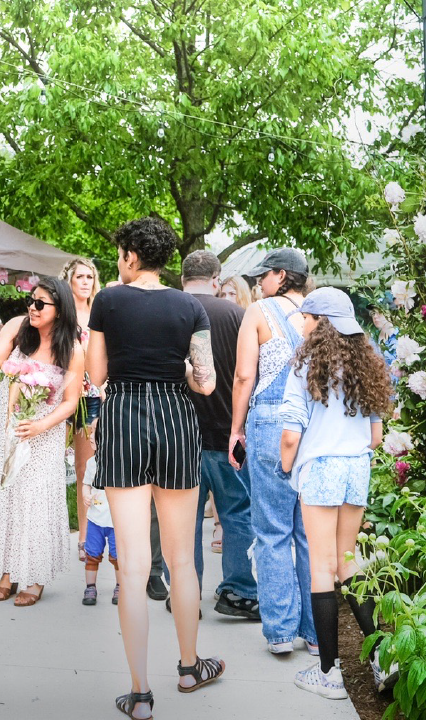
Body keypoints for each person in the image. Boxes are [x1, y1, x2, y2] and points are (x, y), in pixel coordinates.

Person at [85, 216, 225, 720]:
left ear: (129, 255)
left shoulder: (107, 300)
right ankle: (189, 667)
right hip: (174, 419)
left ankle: (140, 693)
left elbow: (96, 374)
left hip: (123, 416)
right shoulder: (189, 305)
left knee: (137, 565)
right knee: (181, 560)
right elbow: (205, 383)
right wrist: (181, 368)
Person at [278, 287, 394, 699]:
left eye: (306, 318)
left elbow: (291, 435)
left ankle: (328, 673)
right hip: (355, 470)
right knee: (349, 563)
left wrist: (286, 466)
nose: (302, 324)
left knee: (320, 569)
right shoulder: (369, 365)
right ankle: (384, 655)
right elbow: (376, 437)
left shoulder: (306, 366)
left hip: (322, 470)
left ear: (319, 323)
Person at [0, 277, 84, 606]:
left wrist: (39, 426)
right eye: (31, 301)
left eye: (41, 303)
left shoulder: (71, 348)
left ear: (60, 310)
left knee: (36, 499)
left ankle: (35, 576)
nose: (32, 308)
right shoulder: (16, 327)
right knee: (8, 493)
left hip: (44, 432)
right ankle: (8, 572)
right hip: (8, 427)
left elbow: (70, 402)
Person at [229, 247, 317, 657]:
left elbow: (245, 375)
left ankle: (281, 632)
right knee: (309, 532)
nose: (258, 282)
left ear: (281, 275)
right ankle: (317, 634)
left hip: (268, 423)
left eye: (263, 275)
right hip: (312, 429)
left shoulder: (260, 312)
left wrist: (235, 429)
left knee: (271, 530)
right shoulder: (321, 315)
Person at [178, 250, 257, 619]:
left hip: (181, 436)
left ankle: (186, 594)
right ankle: (238, 592)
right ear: (216, 279)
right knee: (237, 512)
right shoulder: (239, 316)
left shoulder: (171, 311)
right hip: (229, 433)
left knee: (186, 519)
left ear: (182, 279)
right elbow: (249, 376)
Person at [62, 255, 103, 561]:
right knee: (51, 467)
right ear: (70, 281)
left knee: (84, 469)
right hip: (61, 396)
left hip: (91, 398)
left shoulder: (100, 314)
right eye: (80, 277)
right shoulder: (62, 315)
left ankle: (86, 537)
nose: (86, 282)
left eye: (90, 277)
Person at [81, 453, 120, 606]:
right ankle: (90, 587)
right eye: (90, 433)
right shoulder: (91, 462)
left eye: (95, 433)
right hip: (95, 518)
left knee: (119, 556)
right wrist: (86, 494)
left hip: (116, 520)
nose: (91, 436)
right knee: (91, 554)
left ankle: (120, 586)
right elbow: (86, 484)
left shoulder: (119, 459)